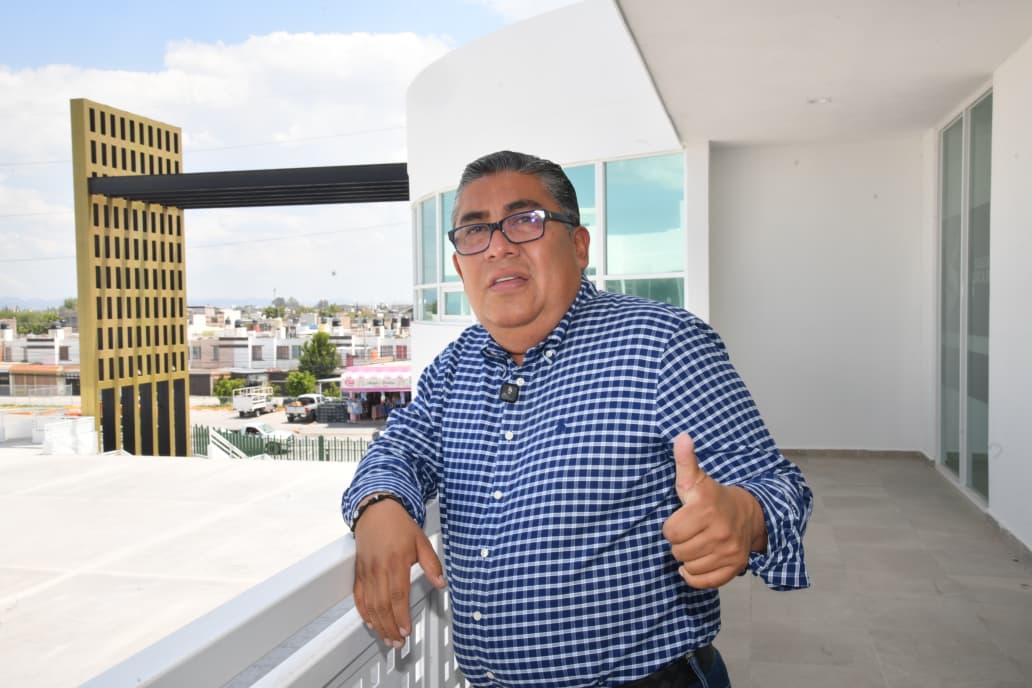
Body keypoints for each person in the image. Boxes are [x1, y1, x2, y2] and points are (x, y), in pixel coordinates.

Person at [341, 150, 813, 687]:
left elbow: (779, 486)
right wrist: (379, 505)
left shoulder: (663, 345)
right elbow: (401, 447)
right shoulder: (454, 368)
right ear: (459, 266)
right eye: (475, 231)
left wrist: (744, 517)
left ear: (579, 244)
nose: (497, 246)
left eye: (525, 221)